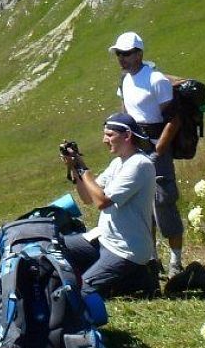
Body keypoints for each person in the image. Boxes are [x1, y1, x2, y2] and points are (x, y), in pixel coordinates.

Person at [59, 112, 159, 299]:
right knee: (53, 247)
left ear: (127, 136)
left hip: (126, 250)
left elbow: (102, 202)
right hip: (104, 239)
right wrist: (74, 167)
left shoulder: (139, 164)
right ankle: (129, 279)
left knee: (80, 292)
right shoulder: (118, 163)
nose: (104, 140)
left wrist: (83, 168)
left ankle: (138, 277)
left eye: (109, 135)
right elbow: (88, 197)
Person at [110, 31, 185, 277]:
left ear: (139, 54)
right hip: (135, 147)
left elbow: (173, 120)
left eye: (127, 54)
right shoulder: (124, 81)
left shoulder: (156, 80)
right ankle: (151, 258)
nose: (122, 58)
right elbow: (126, 116)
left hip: (155, 148)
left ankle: (176, 260)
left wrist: (158, 151)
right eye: (119, 54)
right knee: (139, 203)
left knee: (163, 200)